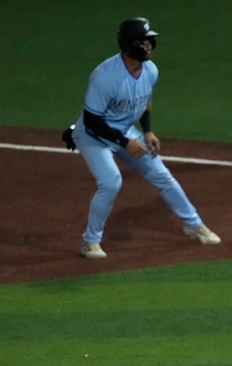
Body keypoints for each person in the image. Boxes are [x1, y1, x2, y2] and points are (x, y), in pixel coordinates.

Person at [66, 17, 220, 259]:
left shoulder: (150, 70)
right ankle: (90, 241)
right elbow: (93, 121)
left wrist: (147, 130)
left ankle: (193, 224)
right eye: (143, 41)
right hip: (92, 134)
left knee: (162, 175)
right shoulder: (105, 76)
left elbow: (144, 101)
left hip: (124, 130)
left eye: (150, 41)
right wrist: (125, 142)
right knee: (111, 181)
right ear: (128, 44)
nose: (149, 45)